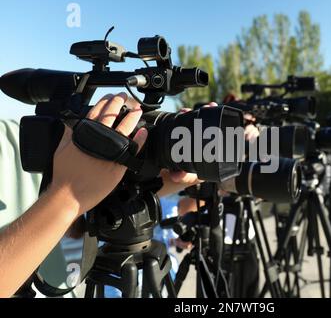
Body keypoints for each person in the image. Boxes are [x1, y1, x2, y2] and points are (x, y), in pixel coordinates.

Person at [0, 93, 201, 298]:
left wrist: (193, 164)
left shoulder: (30, 142)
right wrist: (67, 196)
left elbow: (113, 189)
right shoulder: (15, 143)